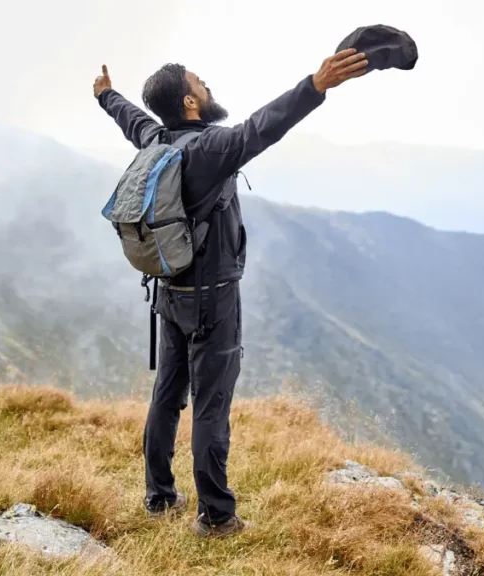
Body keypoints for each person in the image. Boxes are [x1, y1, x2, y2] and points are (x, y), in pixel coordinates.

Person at [93, 48, 368, 538]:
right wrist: (316, 84)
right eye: (201, 83)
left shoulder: (155, 138)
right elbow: (262, 127)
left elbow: (130, 119)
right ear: (189, 102)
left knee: (166, 397)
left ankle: (159, 497)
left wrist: (106, 96)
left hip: (168, 293)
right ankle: (216, 516)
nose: (208, 87)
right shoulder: (211, 149)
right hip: (212, 299)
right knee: (210, 406)